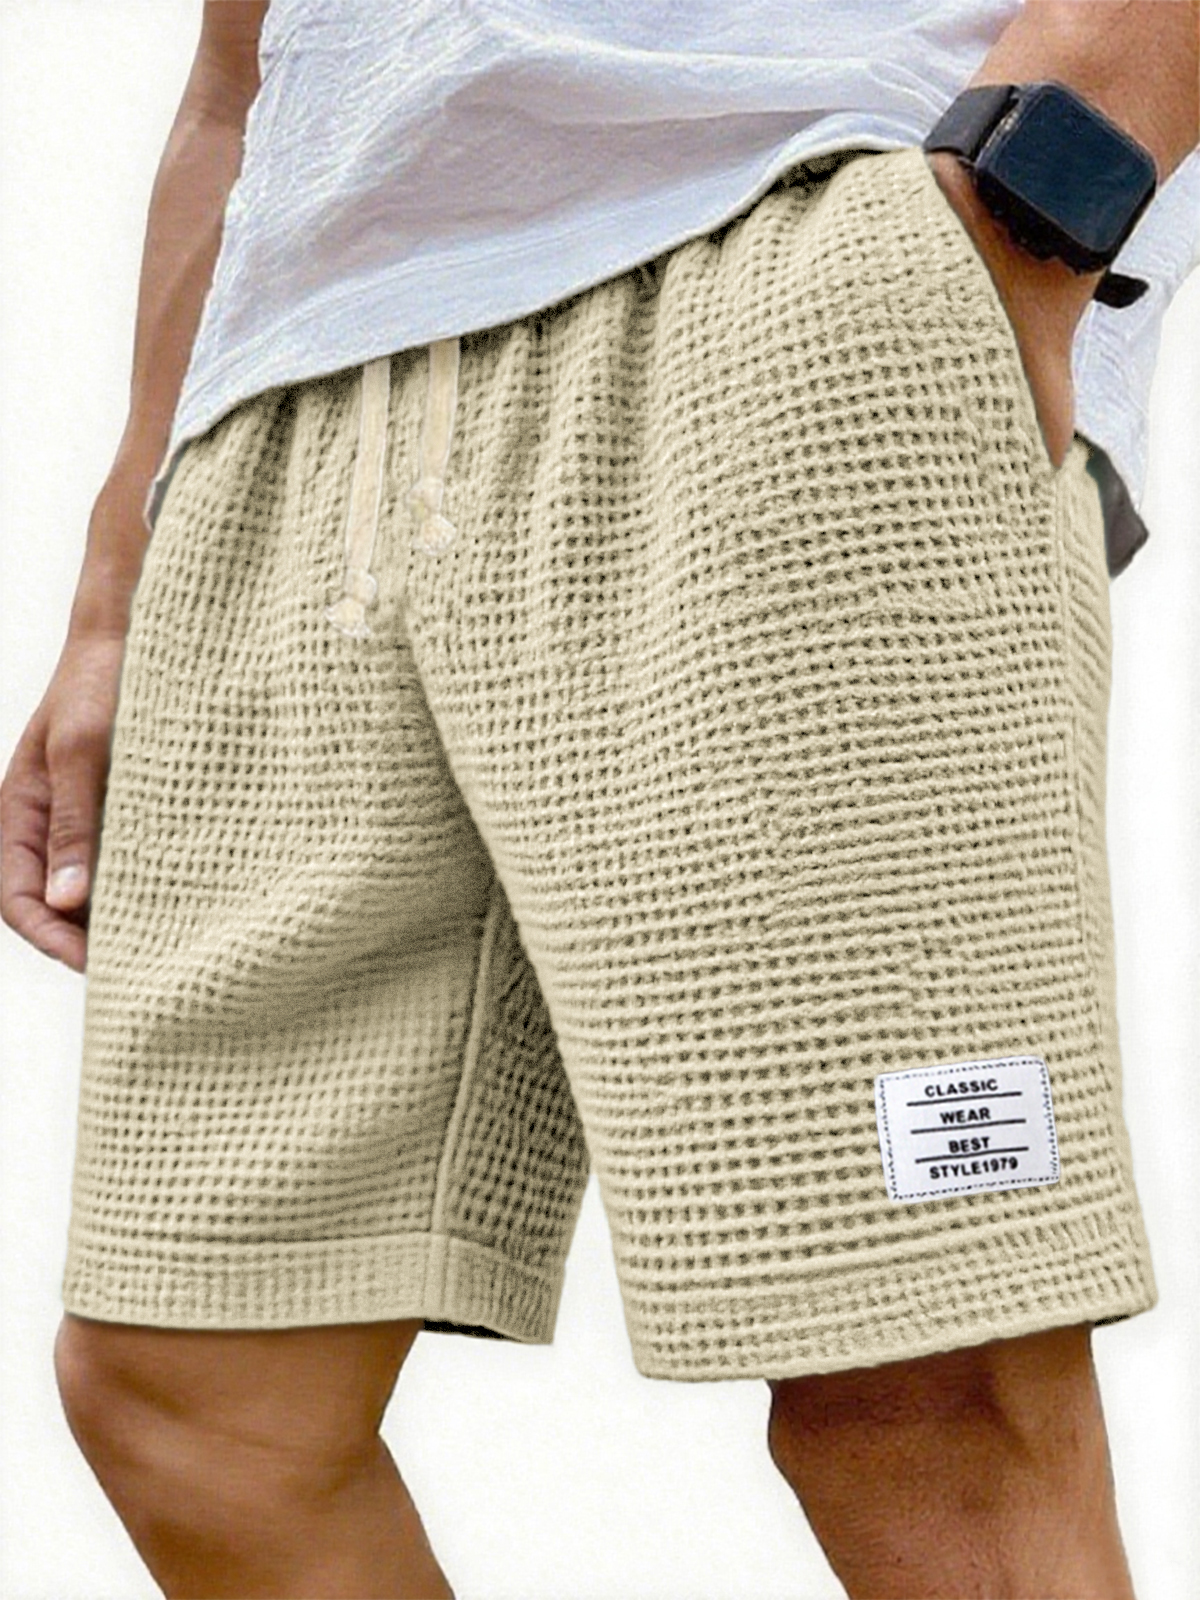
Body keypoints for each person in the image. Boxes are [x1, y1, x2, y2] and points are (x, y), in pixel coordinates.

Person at [1, 1, 1197, 1595]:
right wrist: (115, 585)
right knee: (190, 1393)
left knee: (922, 1389)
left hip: (775, 249)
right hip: (288, 408)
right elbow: (236, 78)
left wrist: (1028, 203)